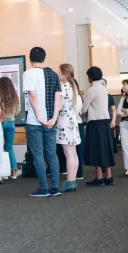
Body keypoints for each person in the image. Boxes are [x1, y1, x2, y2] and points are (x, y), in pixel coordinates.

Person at [23, 47, 63, 197]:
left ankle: (44, 188)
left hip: (35, 121)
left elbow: (33, 96)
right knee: (52, 154)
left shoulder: (28, 74)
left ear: (30, 58)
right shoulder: (53, 74)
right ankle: (55, 188)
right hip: (51, 121)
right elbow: (59, 97)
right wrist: (53, 118)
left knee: (38, 155)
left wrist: (40, 117)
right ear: (44, 58)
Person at [82, 67, 116, 187]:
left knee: (96, 149)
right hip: (105, 122)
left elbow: (84, 109)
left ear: (90, 77)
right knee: (106, 148)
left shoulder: (91, 90)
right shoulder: (103, 89)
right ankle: (109, 176)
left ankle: (99, 177)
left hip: (95, 122)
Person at [56, 64, 82, 192]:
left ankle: (69, 181)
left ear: (64, 73)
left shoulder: (63, 87)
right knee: (73, 153)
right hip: (72, 119)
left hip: (64, 120)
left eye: (59, 72)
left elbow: (59, 106)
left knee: (68, 154)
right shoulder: (73, 87)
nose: (57, 74)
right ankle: (73, 180)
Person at [0, 77, 20, 179]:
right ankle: (14, 171)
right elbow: (17, 112)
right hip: (11, 123)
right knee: (9, 147)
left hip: (1, 122)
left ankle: (2, 172)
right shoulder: (15, 97)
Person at [74, 80, 87, 180]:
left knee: (79, 150)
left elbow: (77, 111)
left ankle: (79, 172)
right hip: (72, 124)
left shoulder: (78, 97)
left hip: (77, 124)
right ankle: (74, 171)